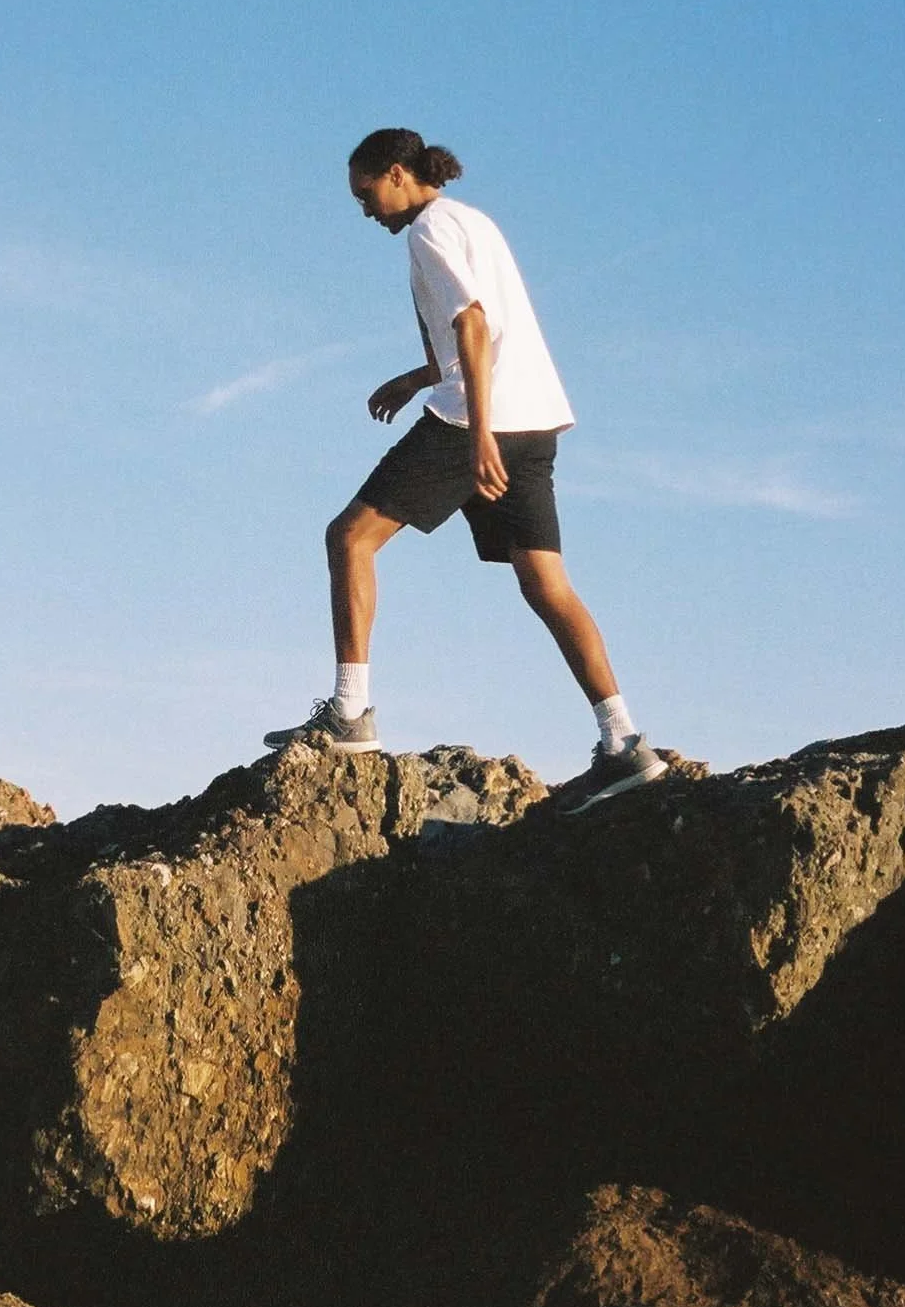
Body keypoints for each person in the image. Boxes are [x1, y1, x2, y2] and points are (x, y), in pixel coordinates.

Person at [264, 128, 666, 812]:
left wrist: (477, 432)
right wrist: (420, 374)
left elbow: (475, 323)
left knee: (349, 538)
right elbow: (487, 328)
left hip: (478, 421)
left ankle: (351, 712)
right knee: (546, 584)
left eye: (367, 194)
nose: (366, 211)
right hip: (536, 421)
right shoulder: (472, 221)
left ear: (396, 174)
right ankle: (625, 742)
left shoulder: (429, 232)